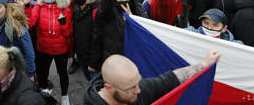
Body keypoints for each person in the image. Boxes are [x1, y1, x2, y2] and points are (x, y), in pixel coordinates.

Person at [84, 51, 220, 105]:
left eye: (138, 82)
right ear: (109, 87)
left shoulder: (138, 89)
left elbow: (169, 80)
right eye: (131, 88)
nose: (138, 90)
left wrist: (204, 64)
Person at [25, 0, 73, 105]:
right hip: (43, 49)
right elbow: (30, 23)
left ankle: (64, 96)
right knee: (42, 75)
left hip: (60, 49)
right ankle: (46, 94)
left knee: (63, 74)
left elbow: (68, 33)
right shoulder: (39, 7)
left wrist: (63, 23)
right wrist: (27, 7)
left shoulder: (65, 7)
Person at [92, 0, 147, 66]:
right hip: (114, 57)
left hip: (132, 56)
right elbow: (104, 11)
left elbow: (143, 31)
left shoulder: (137, 10)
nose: (124, 1)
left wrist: (132, 20)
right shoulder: (110, 12)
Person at [71, 0, 100, 81]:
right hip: (81, 54)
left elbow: (99, 39)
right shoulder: (75, 8)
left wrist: (94, 62)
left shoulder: (96, 10)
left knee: (95, 85)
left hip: (93, 59)